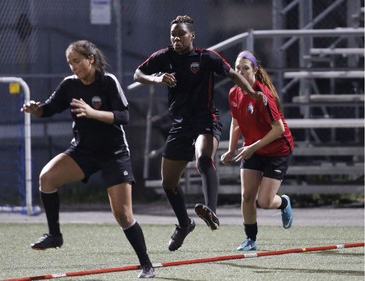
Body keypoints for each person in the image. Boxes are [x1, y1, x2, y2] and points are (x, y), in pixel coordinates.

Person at [21, 40, 155, 278]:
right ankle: (55, 235)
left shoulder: (108, 82)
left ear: (90, 59)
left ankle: (146, 264)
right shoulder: (69, 85)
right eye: (70, 62)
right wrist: (37, 109)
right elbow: (49, 109)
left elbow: (124, 116)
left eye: (77, 61)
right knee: (47, 178)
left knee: (123, 215)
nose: (73, 66)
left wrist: (93, 113)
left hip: (114, 153)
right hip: (83, 152)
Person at [133, 15, 264, 252]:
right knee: (168, 184)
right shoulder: (164, 57)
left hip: (206, 119)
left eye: (181, 34)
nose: (176, 39)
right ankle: (184, 224)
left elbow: (233, 75)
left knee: (203, 158)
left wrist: (252, 93)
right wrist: (157, 78)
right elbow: (137, 74)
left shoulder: (207, 58)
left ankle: (211, 209)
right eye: (173, 35)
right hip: (180, 125)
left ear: (192, 35)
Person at [220, 50, 294, 251]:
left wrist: (251, 147)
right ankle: (250, 240)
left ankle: (284, 204)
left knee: (265, 201)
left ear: (255, 71)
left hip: (277, 150)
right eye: (237, 68)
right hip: (253, 149)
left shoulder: (263, 96)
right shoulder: (234, 93)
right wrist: (231, 149)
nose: (241, 72)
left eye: (245, 68)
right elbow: (236, 122)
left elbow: (278, 129)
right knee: (246, 197)